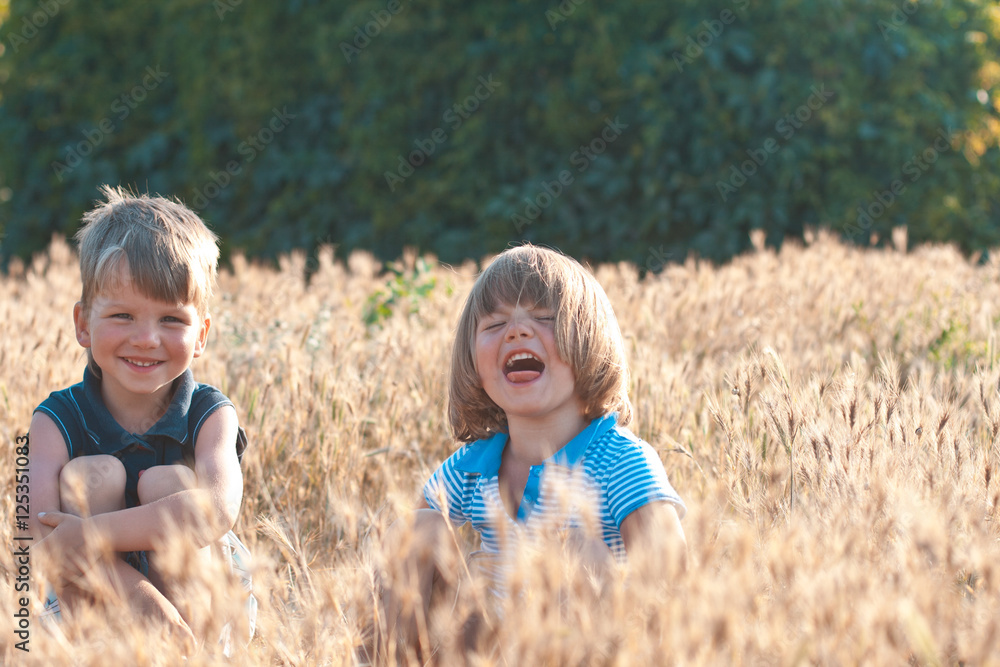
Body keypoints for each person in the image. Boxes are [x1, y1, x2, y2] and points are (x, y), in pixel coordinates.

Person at [378, 244, 687, 660]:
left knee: (578, 553)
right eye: (495, 324)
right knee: (417, 530)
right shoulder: (466, 471)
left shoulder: (621, 460)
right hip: (483, 652)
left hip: (586, 652)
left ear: (590, 344)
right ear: (471, 358)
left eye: (544, 319)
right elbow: (402, 568)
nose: (517, 331)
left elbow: (670, 577)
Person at [28, 185, 254, 651]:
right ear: (83, 324)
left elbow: (216, 509)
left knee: (170, 483)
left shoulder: (212, 413)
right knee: (90, 478)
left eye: (171, 320)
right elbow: (42, 538)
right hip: (85, 609)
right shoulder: (53, 421)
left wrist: (89, 536)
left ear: (201, 334)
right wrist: (148, 606)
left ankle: (196, 656)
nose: (147, 338)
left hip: (202, 612)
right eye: (124, 315)